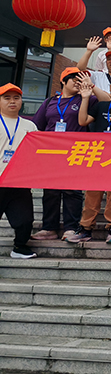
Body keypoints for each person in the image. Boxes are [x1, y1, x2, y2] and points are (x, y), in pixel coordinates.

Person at [31, 69, 101, 242]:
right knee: (50, 191)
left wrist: (91, 88)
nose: (78, 83)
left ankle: (71, 227)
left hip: (76, 151)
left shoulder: (87, 99)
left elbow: (107, 101)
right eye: (74, 79)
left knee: (72, 190)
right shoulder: (50, 102)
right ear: (63, 81)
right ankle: (49, 228)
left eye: (80, 80)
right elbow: (37, 126)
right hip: (52, 152)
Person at [68, 73, 111, 244]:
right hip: (97, 155)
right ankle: (85, 228)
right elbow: (83, 121)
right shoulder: (101, 106)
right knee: (92, 193)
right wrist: (85, 98)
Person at [0, 83, 38, 259]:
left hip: (19, 181)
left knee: (25, 219)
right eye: (7, 98)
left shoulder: (30, 126)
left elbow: (38, 152)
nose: (12, 101)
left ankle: (19, 248)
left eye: (16, 98)